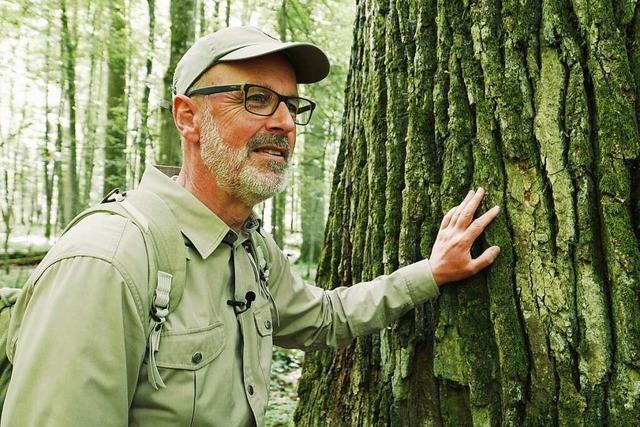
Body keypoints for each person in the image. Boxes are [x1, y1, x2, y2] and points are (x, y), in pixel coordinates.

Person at [1, 26, 501, 426]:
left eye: (291, 105)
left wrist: (431, 273)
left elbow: (324, 317)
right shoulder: (109, 262)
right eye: (257, 98)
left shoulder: (250, 249)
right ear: (188, 117)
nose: (284, 122)